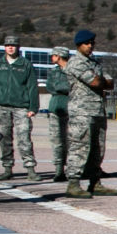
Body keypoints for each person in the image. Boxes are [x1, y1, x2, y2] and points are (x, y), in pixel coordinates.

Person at [63, 29, 117, 198]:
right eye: (87, 43)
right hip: (81, 112)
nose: (90, 46)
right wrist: (101, 81)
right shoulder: (75, 63)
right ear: (79, 45)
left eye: (92, 43)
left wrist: (101, 81)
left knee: (98, 149)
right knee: (79, 147)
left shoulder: (95, 63)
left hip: (97, 111)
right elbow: (95, 81)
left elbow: (110, 83)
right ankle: (73, 184)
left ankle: (95, 182)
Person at [0, 35, 39, 178]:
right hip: (1, 106)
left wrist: (33, 107)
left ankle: (30, 169)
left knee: (24, 138)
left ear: (18, 47)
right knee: (4, 138)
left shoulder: (26, 65)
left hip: (21, 107)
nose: (10, 47)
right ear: (4, 47)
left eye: (13, 45)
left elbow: (32, 87)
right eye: (7, 45)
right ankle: (7, 168)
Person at [45, 44, 71, 182]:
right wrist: (62, 88)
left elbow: (71, 86)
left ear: (59, 56)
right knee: (56, 140)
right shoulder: (53, 72)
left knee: (71, 141)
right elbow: (50, 86)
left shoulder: (72, 70)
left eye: (54, 55)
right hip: (55, 108)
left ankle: (72, 170)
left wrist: (61, 87)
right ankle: (59, 170)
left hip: (71, 109)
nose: (51, 58)